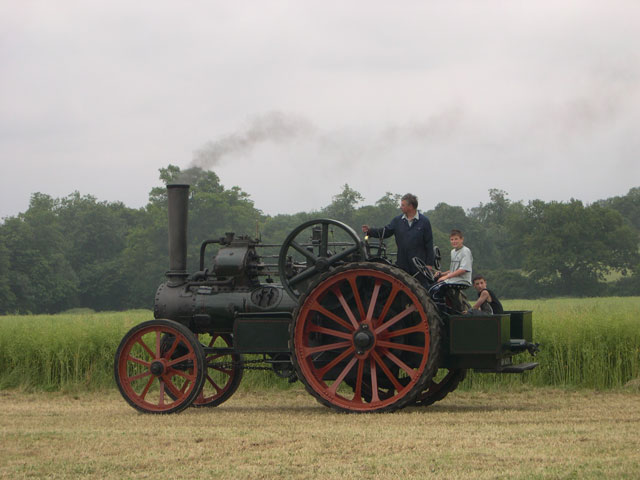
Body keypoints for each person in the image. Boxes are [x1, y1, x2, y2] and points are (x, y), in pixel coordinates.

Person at [361, 193, 434, 276]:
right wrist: (370, 231)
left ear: (410, 206)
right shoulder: (397, 220)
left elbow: (429, 244)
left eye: (403, 205)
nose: (400, 207)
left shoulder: (424, 222)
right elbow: (386, 231)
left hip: (419, 265)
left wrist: (429, 264)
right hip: (402, 264)